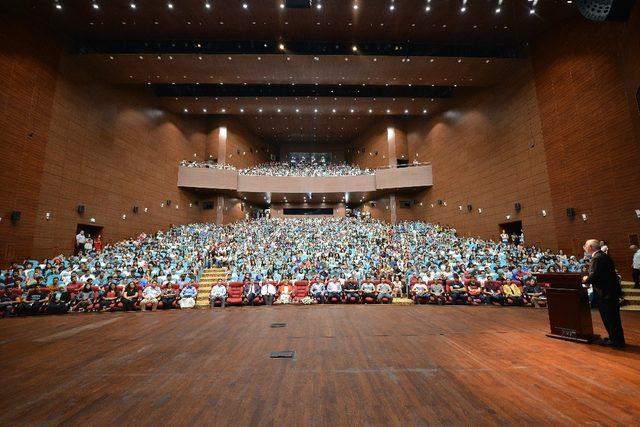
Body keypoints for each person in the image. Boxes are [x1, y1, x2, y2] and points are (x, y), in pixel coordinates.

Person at [583, 239, 625, 348]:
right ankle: (614, 338)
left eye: (585, 246)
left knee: (610, 318)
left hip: (606, 294)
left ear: (591, 247)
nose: (584, 248)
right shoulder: (603, 256)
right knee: (613, 318)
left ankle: (616, 342)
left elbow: (594, 275)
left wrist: (585, 279)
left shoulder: (597, 258)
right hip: (609, 292)